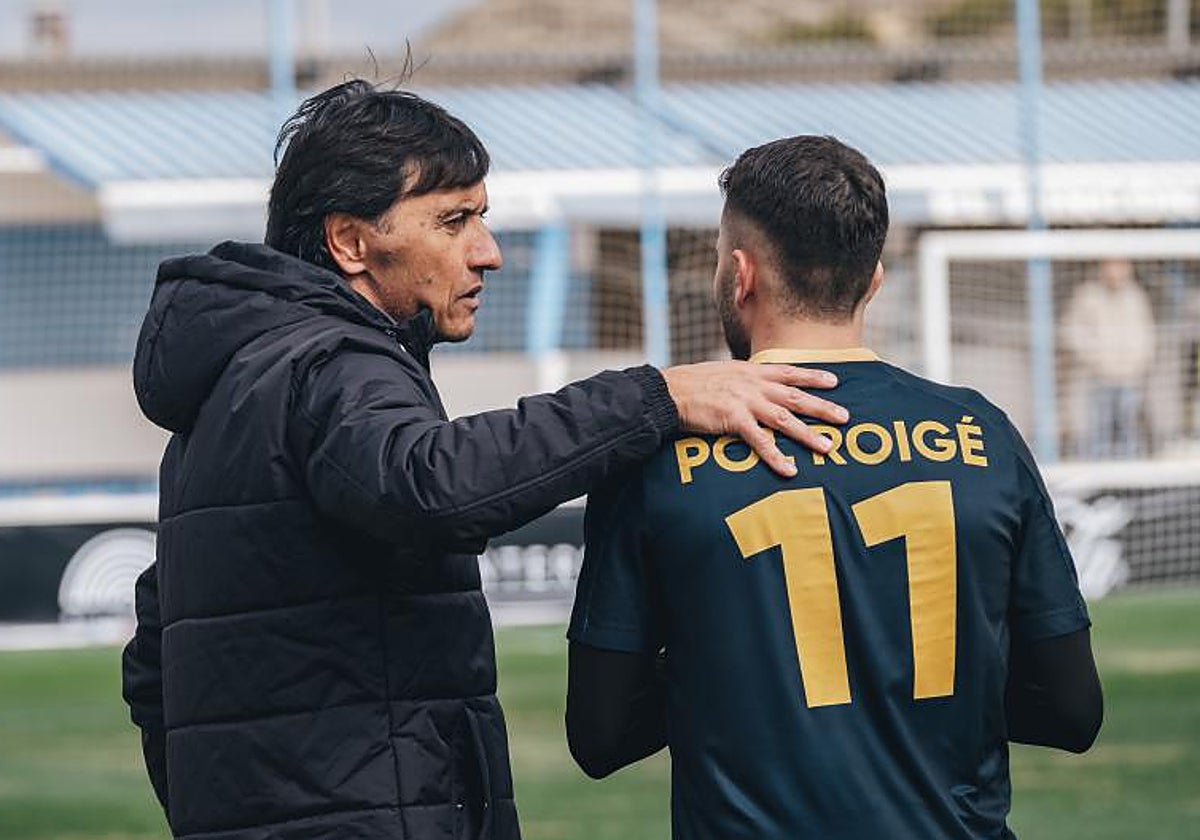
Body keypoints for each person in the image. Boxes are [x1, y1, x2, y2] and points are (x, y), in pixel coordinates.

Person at [119, 82, 849, 840]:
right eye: (453, 221)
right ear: (350, 243)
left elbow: (153, 655)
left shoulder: (239, 381)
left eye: (482, 218)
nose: (488, 253)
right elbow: (429, 482)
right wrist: (656, 397)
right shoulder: (332, 363)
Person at [566, 135, 1103, 840]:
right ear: (872, 280)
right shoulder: (982, 435)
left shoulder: (658, 455)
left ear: (740, 275)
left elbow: (600, 736)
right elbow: (1072, 710)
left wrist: (726, 669)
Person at [1061, 258, 1155, 458]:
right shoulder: (1088, 295)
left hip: (1130, 376)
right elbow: (1072, 331)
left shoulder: (1136, 297)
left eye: (1121, 266)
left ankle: (1131, 470)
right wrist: (1094, 358)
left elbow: (1146, 334)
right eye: (1112, 266)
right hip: (1098, 375)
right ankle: (1095, 471)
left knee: (1130, 429)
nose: (1116, 272)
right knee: (1098, 429)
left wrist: (1139, 362)